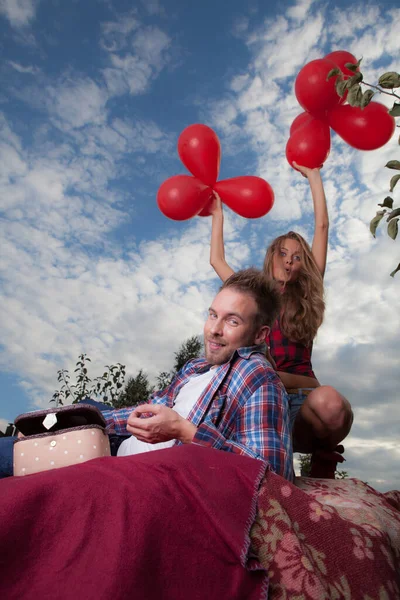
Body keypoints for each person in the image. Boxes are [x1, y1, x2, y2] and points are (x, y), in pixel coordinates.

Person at [208, 163, 353, 473]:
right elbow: (217, 260)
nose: (289, 261)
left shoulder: (307, 296)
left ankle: (322, 453)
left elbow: (323, 227)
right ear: (271, 256)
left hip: (303, 405)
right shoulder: (254, 298)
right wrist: (217, 214)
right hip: (264, 400)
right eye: (283, 253)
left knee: (332, 404)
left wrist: (314, 175)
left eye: (297, 256)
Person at [102, 268, 293, 481]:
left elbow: (275, 476)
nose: (214, 330)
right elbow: (146, 411)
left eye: (232, 321)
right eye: (213, 315)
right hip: (118, 445)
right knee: (76, 415)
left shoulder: (258, 377)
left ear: (260, 334)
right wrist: (96, 420)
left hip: (139, 476)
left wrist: (184, 432)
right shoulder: (195, 367)